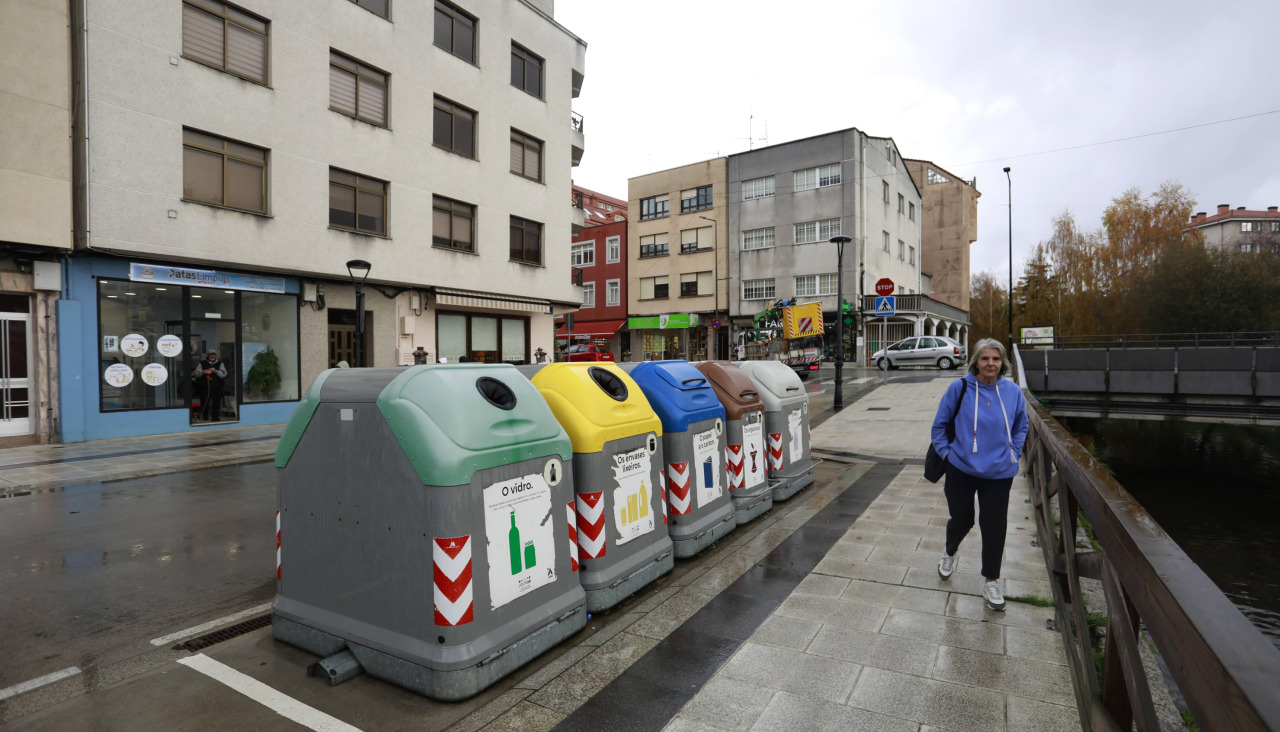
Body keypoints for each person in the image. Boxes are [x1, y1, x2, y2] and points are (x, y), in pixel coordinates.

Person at [930, 338, 1028, 611]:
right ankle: (950, 552)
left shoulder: (1012, 392)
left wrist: (1014, 452)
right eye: (985, 359)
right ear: (975, 361)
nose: (991, 364)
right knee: (962, 520)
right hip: (961, 468)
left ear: (1003, 363)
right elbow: (939, 426)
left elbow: (1022, 424)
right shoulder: (959, 388)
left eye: (996, 359)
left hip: (999, 472)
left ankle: (991, 581)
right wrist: (948, 455)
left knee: (994, 525)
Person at [192, 351, 228, 422]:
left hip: (217, 388)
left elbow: (224, 374)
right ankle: (205, 416)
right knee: (204, 402)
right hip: (205, 388)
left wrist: (216, 371)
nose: (212, 356)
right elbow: (195, 374)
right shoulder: (201, 363)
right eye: (211, 355)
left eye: (214, 354)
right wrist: (202, 372)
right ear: (207, 355)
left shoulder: (220, 363)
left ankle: (215, 418)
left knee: (216, 403)